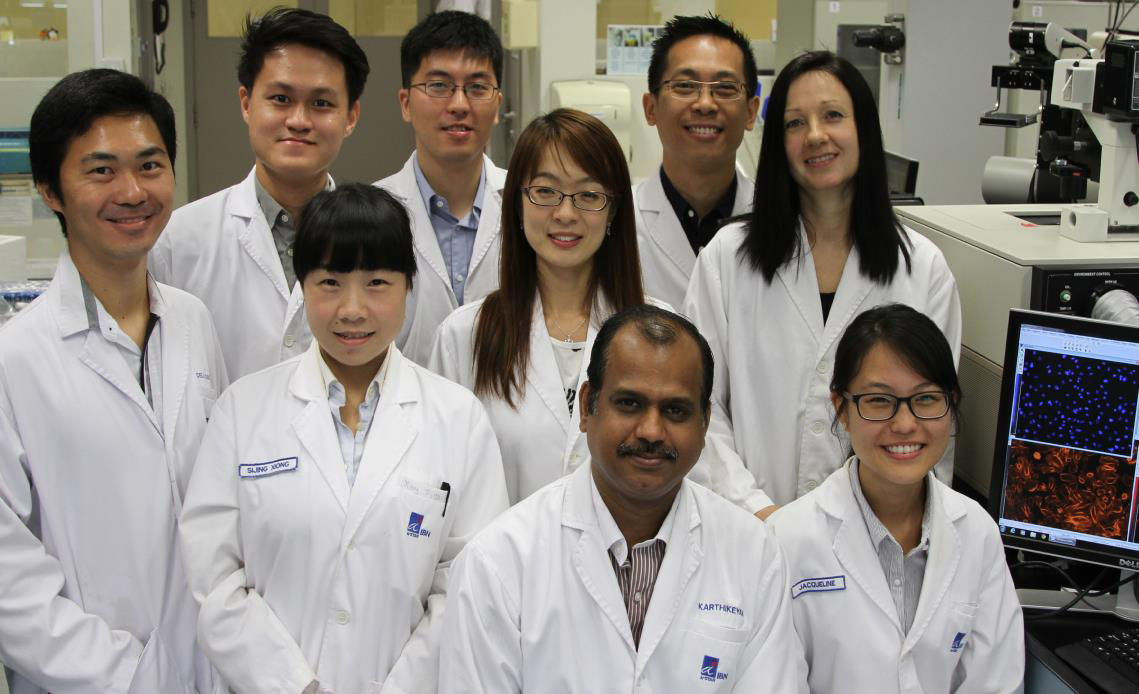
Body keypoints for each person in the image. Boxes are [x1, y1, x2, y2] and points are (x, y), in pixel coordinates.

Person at [179, 184, 508, 694]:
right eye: (330, 282)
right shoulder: (243, 410)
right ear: (302, 286)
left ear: (408, 286)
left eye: (377, 282)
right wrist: (295, 687)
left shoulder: (458, 418)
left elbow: (467, 583)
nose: (352, 310)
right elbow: (212, 580)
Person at [439, 305, 807, 693]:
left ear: (704, 423)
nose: (651, 431)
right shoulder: (499, 560)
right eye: (629, 403)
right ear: (587, 407)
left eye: (676, 410)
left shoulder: (754, 553)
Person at [0, 69, 227, 693]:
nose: (132, 191)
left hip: (209, 665)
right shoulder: (15, 360)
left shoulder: (192, 322)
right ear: (50, 190)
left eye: (150, 166)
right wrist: (128, 677)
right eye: (100, 170)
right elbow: (9, 580)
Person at [684, 51, 961, 518]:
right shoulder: (727, 260)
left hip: (876, 540)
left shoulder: (923, 269)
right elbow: (697, 405)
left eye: (833, 116)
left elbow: (933, 424)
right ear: (777, 142)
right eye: (795, 123)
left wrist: (869, 527)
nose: (815, 135)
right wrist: (756, 512)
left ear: (864, 131)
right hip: (746, 531)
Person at [767, 304, 1024, 692]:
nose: (905, 424)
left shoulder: (976, 533)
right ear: (841, 408)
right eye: (879, 401)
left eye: (925, 399)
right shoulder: (787, 539)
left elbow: (997, 683)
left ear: (950, 404)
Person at [429, 108, 647, 504]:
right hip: (502, 564)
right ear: (518, 204)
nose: (565, 213)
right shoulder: (464, 336)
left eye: (588, 195)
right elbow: (440, 484)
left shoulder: (659, 333)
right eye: (545, 192)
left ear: (614, 209)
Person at [150, 8, 369, 380]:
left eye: (321, 103)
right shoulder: (177, 241)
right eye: (281, 98)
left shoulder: (381, 240)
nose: (299, 120)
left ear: (351, 117)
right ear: (247, 103)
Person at [375, 10, 507, 366]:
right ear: (405, 103)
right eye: (439, 86)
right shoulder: (371, 213)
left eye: (478, 87)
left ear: (497, 104)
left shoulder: (532, 205)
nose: (459, 104)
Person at [635, 15, 759, 308]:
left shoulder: (785, 222)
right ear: (650, 109)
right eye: (685, 86)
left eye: (725, 88)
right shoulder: (617, 224)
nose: (704, 104)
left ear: (751, 112)